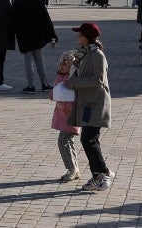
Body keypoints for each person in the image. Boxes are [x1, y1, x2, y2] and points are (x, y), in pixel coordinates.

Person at [66, 22, 114, 192]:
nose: (77, 37)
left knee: (89, 139)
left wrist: (74, 82)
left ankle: (103, 174)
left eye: (80, 35)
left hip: (95, 103)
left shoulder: (97, 55)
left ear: (87, 37)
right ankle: (98, 174)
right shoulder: (85, 53)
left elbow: (97, 80)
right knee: (89, 139)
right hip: (87, 102)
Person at [12, 0, 57, 93]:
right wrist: (52, 35)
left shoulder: (18, 3)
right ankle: (44, 84)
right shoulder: (38, 2)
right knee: (40, 61)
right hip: (38, 36)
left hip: (24, 37)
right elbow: (46, 20)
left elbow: (13, 21)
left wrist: (13, 35)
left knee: (28, 61)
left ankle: (31, 86)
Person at [51, 49, 81, 183]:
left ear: (72, 66)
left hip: (71, 115)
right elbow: (56, 92)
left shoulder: (73, 80)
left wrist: (67, 105)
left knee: (63, 141)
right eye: (61, 63)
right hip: (62, 114)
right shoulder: (60, 76)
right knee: (68, 141)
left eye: (65, 64)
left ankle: (72, 169)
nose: (61, 66)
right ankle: (74, 168)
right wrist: (53, 95)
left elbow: (75, 97)